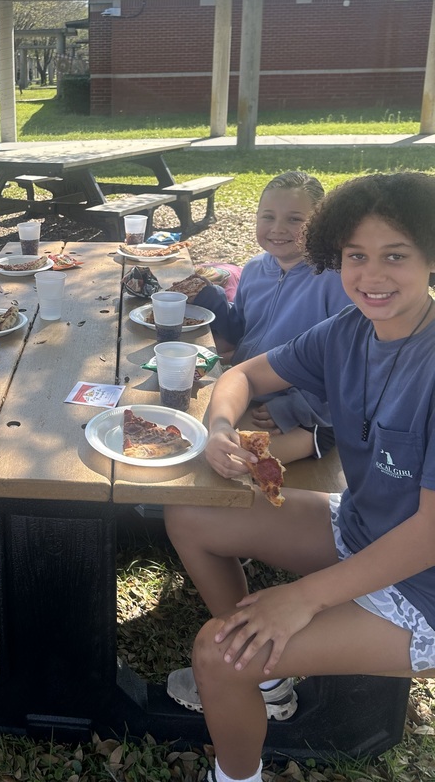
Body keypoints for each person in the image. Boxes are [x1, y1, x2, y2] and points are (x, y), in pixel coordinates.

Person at [164, 172, 435, 782]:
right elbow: (242, 376)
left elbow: (428, 536)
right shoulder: (348, 331)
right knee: (190, 511)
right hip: (362, 528)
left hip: (425, 588)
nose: (372, 275)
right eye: (355, 256)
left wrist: (301, 598)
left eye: (395, 256)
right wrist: (219, 428)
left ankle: (236, 770)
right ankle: (268, 676)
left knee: (217, 653)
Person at [175, 171, 349, 463]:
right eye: (268, 216)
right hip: (242, 390)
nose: (278, 228)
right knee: (186, 438)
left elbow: (346, 364)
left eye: (294, 219)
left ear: (319, 223)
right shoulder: (255, 269)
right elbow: (242, 332)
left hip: (301, 414)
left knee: (231, 462)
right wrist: (213, 299)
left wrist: (297, 405)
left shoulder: (335, 279)